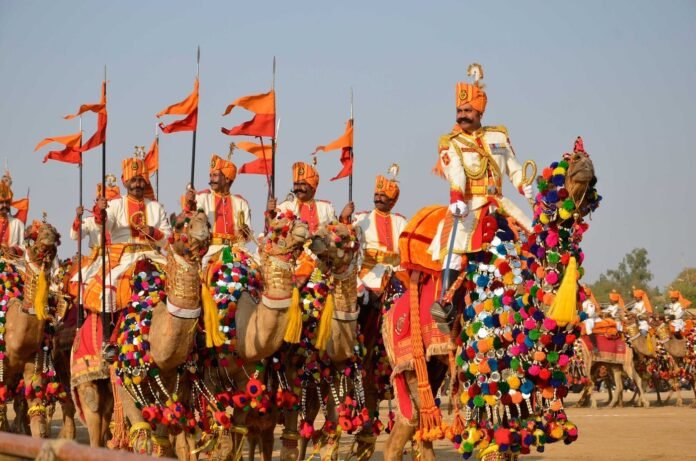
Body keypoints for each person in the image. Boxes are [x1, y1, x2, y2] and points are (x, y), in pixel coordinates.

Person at [429, 64, 534, 328]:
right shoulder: (451, 142)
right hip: (467, 207)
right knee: (451, 250)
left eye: (467, 111)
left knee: (529, 242)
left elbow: (513, 167)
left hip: (499, 204)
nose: (462, 116)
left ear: (479, 112)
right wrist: (456, 199)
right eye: (459, 111)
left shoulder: (498, 136)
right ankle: (446, 304)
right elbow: (455, 172)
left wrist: (527, 187)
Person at [87, 151, 171, 314]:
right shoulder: (116, 204)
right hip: (123, 258)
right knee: (108, 289)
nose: (137, 184)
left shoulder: (155, 207)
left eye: (141, 180)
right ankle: (107, 335)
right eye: (133, 180)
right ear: (125, 182)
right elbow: (105, 225)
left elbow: (168, 241)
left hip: (153, 255)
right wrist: (101, 212)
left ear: (146, 182)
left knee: (179, 280)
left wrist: (153, 232)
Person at [185, 151, 252, 268]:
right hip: (212, 251)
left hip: (237, 251)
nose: (211, 179)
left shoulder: (241, 203)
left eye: (215, 175)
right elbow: (192, 222)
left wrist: (244, 232)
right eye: (210, 176)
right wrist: (190, 204)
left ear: (226, 179)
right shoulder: (203, 198)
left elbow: (249, 236)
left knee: (256, 270)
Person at [353, 170, 408, 302]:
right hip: (369, 271)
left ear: (391, 201)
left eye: (382, 195)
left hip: (395, 271)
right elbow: (347, 237)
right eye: (376, 195)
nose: (377, 198)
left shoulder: (401, 221)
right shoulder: (361, 218)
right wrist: (344, 218)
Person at [267, 161, 353, 233]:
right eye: (296, 184)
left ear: (312, 187)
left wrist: (343, 217)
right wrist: (271, 214)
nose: (298, 188)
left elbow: (338, 235)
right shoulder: (285, 206)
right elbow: (273, 229)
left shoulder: (326, 207)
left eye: (302, 184)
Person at [0, 171, 25, 258]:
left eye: (6, 202)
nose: (4, 205)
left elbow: (23, 245)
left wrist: (15, 249)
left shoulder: (18, 223)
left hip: (12, 263)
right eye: (1, 203)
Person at [582, 286, 601, 352]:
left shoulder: (590, 302)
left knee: (588, 328)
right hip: (583, 318)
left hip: (590, 319)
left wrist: (582, 316)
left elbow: (590, 313)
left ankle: (595, 346)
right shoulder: (583, 302)